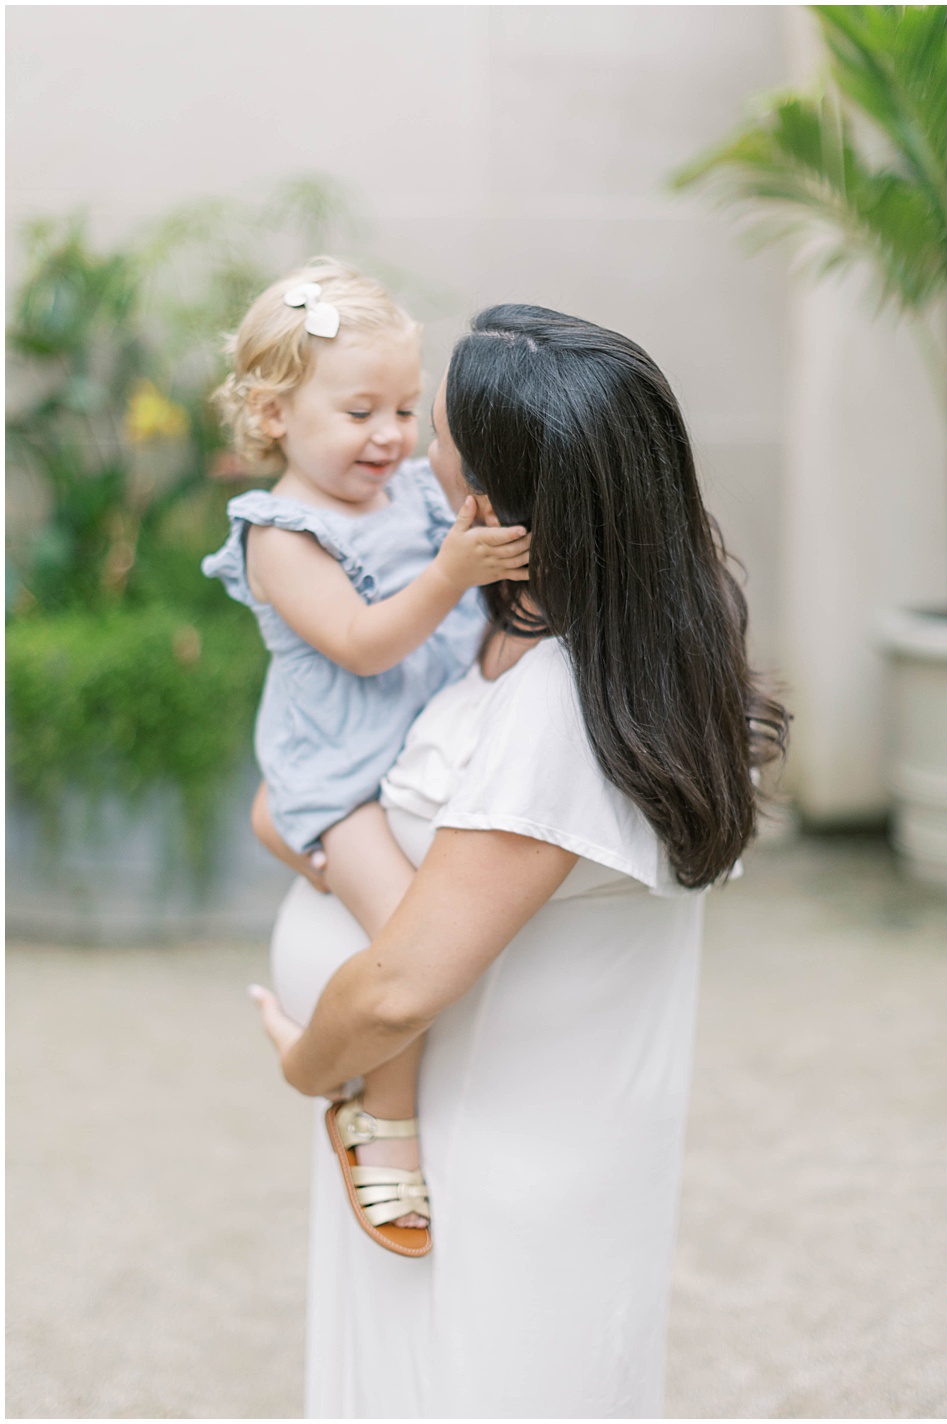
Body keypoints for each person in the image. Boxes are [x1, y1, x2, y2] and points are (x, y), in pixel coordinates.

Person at [248, 303, 788, 1415]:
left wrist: (312, 1065)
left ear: (493, 498)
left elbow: (400, 982)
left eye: (429, 426)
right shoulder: (536, 621)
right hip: (442, 1148)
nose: (408, 449)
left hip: (497, 1172)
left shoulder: (562, 704)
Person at [204, 259, 530, 1256]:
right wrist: (448, 573)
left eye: (403, 409)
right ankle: (377, 1121)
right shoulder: (279, 534)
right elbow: (361, 640)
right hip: (344, 771)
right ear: (272, 413)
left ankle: (277, 818)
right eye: (359, 411)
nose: (389, 437)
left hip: (418, 740)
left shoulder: (408, 498)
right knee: (408, 941)